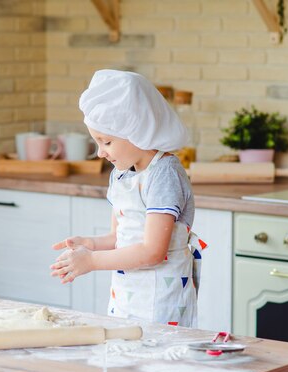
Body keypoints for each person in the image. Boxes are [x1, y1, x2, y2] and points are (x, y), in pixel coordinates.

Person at [50, 70, 206, 327]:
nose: (100, 152)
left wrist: (91, 261)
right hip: (126, 294)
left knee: (157, 360)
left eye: (106, 142)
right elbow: (118, 238)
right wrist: (89, 244)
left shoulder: (164, 174)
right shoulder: (122, 174)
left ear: (138, 131)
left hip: (162, 300)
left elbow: (152, 251)